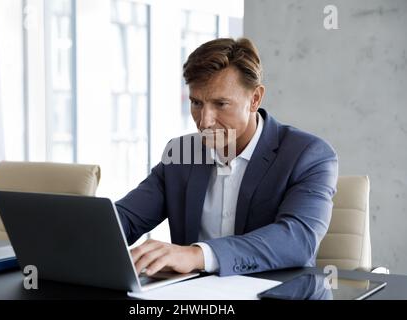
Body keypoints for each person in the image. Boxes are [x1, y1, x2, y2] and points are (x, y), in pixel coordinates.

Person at [115, 38, 338, 277]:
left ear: (254, 99)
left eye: (220, 104)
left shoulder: (307, 154)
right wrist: (81, 234)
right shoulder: (182, 152)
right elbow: (126, 218)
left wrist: (197, 255)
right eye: (196, 103)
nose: (204, 121)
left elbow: (297, 240)